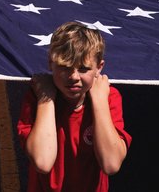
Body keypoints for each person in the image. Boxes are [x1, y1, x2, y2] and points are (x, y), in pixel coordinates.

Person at [17, 21, 131, 192]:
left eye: (84, 69)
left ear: (99, 68)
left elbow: (111, 164)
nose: (73, 77)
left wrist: (99, 101)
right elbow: (43, 161)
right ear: (51, 63)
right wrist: (46, 99)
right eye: (64, 67)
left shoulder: (108, 97)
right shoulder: (38, 96)